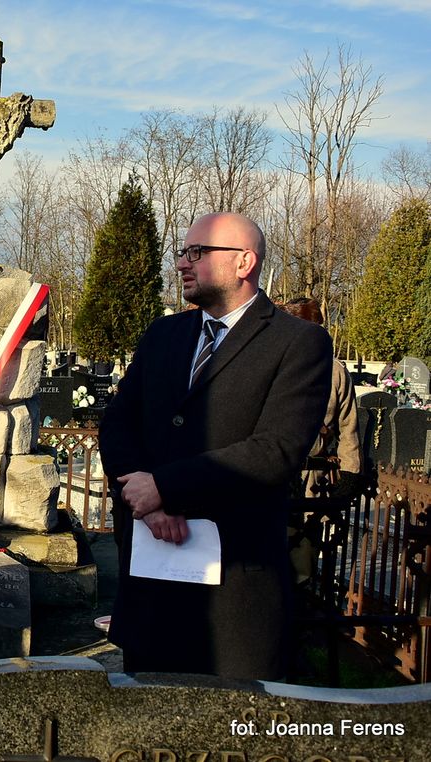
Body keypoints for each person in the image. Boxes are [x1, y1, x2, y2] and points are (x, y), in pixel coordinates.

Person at [99, 211, 332, 680]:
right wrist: (144, 501)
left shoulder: (298, 343)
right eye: (183, 252)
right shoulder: (164, 335)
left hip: (233, 598)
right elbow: (118, 425)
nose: (183, 263)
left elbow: (276, 450)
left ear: (244, 262)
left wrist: (165, 486)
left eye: (198, 252)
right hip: (151, 589)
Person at [279, 297, 363, 587]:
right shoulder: (273, 364)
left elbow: (348, 426)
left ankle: (301, 616)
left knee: (303, 562)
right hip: (271, 475)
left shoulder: (335, 371)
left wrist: (350, 474)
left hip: (311, 480)